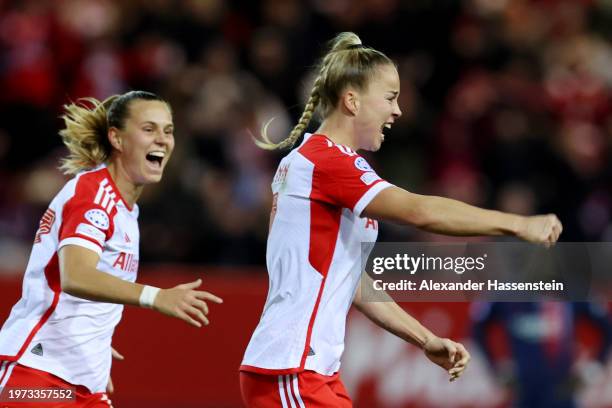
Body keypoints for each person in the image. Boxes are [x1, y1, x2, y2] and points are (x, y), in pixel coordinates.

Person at [239, 32, 563, 407]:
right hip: (290, 370)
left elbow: (351, 280)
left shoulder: (316, 163)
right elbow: (419, 211)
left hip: (310, 372)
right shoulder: (326, 161)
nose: (398, 111)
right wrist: (517, 224)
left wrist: (425, 339)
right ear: (351, 100)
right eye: (391, 97)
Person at [0, 91, 222, 407]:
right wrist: (155, 296)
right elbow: (75, 275)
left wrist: (94, 346)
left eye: (168, 130)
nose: (162, 140)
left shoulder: (127, 211)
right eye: (149, 129)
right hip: (35, 377)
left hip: (82, 384)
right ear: (117, 139)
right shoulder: (94, 194)